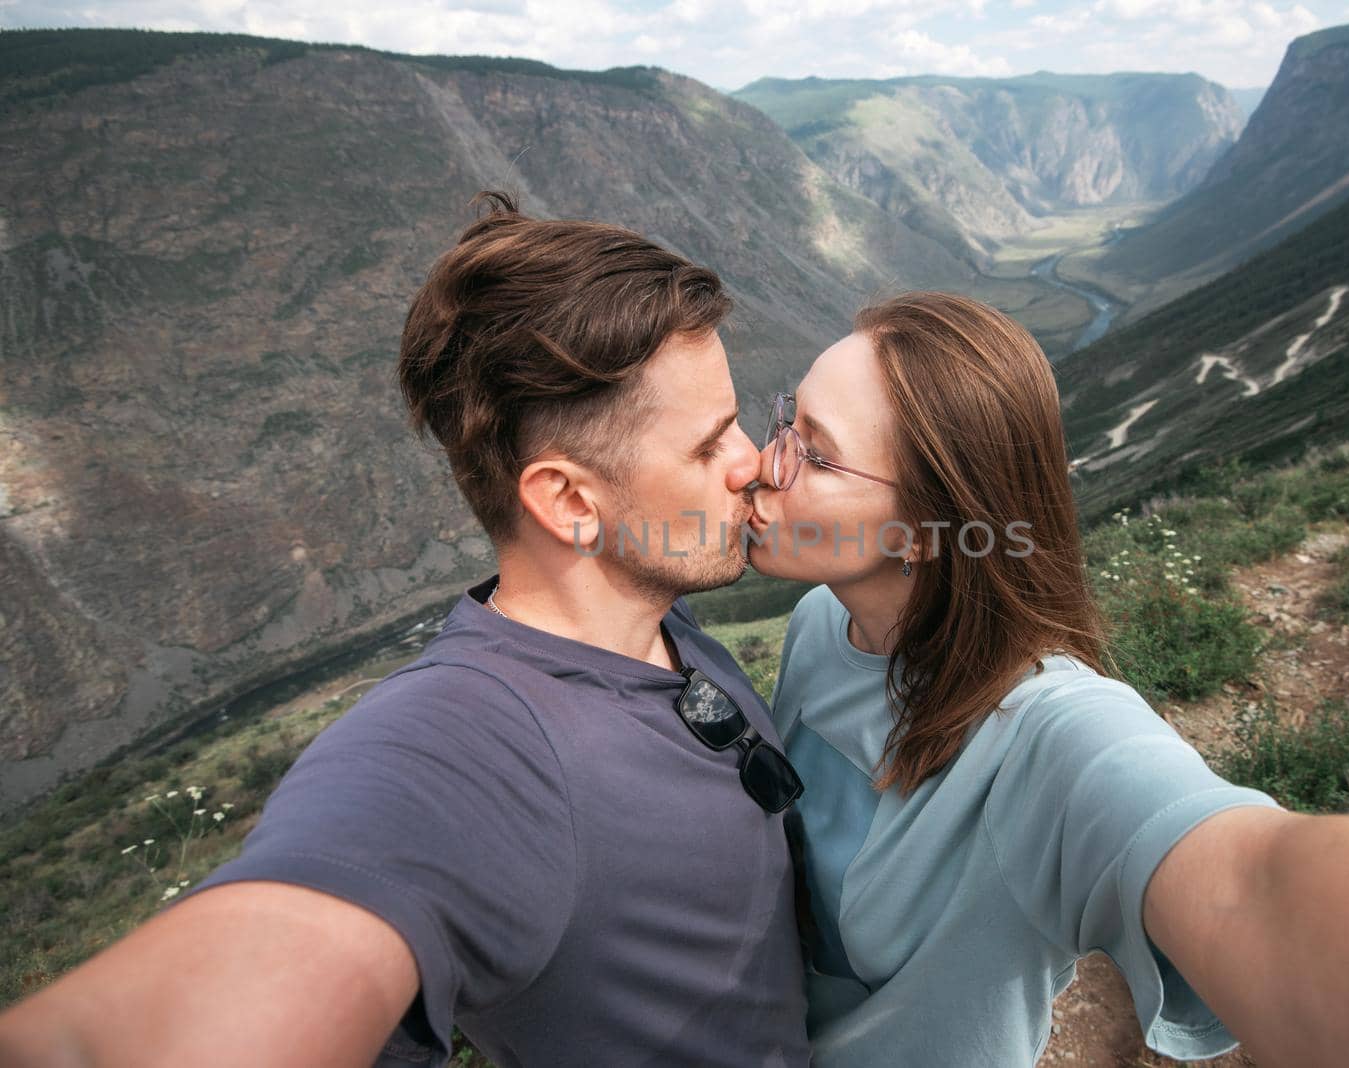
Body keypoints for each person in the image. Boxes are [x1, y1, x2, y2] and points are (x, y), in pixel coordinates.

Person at [0, 192, 811, 1068]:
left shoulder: (656, 616)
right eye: (709, 444)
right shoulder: (472, 743)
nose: (752, 463)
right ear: (570, 501)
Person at [745, 291, 1349, 1068]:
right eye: (788, 420)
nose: (760, 464)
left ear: (929, 528)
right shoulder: (822, 623)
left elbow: (1252, 881)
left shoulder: (1045, 735)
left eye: (814, 456)